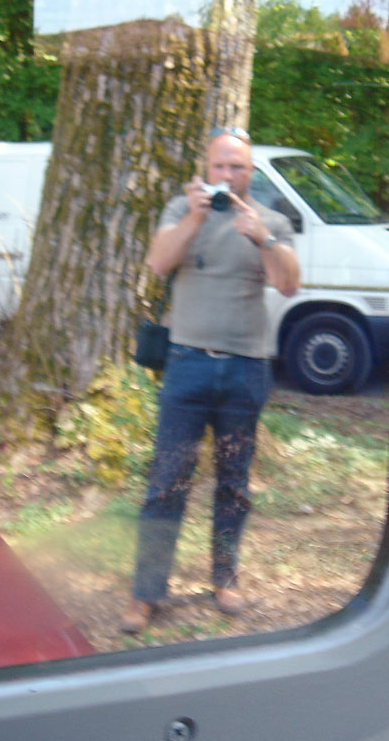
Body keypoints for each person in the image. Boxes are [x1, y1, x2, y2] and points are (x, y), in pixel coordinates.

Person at [120, 128, 300, 634]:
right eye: (220, 166)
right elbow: (158, 263)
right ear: (206, 167)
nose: (227, 175)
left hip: (246, 367)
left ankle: (225, 577)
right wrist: (197, 216)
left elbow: (288, 282)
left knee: (234, 484)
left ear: (251, 173)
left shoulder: (272, 221)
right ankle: (146, 593)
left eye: (237, 168)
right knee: (165, 484)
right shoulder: (182, 211)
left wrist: (262, 238)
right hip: (188, 364)